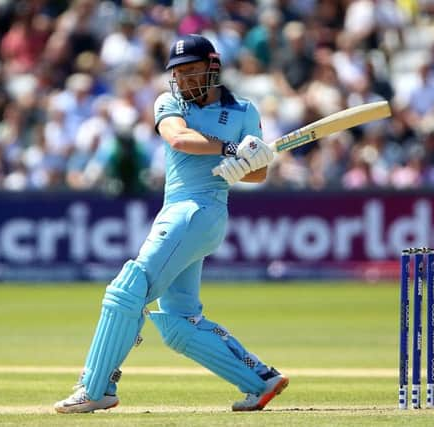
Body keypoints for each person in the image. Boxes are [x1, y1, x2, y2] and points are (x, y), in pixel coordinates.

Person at [54, 33, 287, 414]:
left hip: (197, 213)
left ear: (213, 69)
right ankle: (259, 380)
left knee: (127, 291)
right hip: (180, 212)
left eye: (193, 71)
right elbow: (177, 139)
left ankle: (96, 387)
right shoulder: (170, 102)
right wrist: (229, 149)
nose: (185, 80)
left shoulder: (245, 111)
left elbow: (257, 176)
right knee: (179, 321)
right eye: (179, 73)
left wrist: (248, 163)